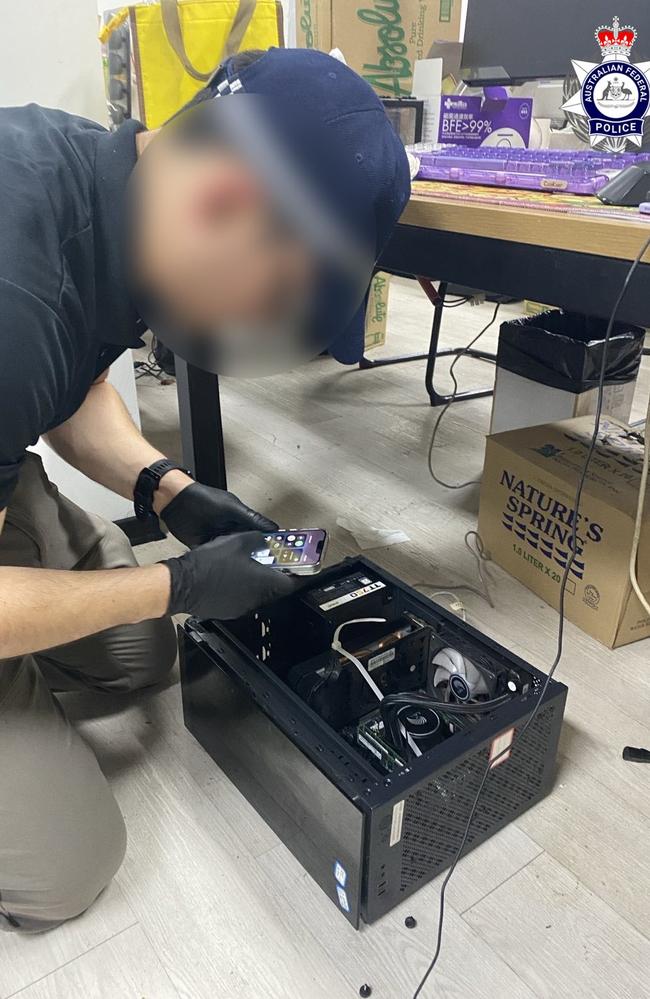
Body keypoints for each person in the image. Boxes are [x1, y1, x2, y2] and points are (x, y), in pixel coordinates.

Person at [0, 47, 410, 932]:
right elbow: (29, 349)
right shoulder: (16, 287)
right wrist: (179, 583)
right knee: (68, 866)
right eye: (277, 300)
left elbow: (67, 385)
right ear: (226, 200)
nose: (257, 327)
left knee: (139, 658)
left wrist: (164, 489)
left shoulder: (96, 191)